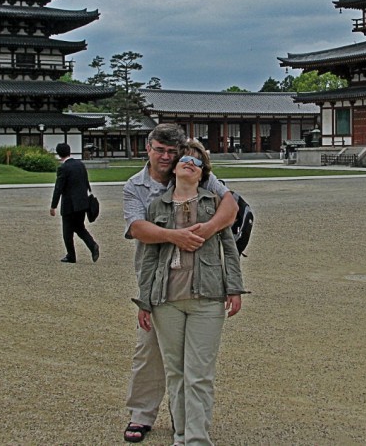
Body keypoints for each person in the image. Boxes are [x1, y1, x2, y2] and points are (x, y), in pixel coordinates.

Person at [122, 124, 238, 443]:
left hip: (200, 281)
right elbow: (137, 229)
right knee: (149, 350)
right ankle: (142, 414)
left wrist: (207, 229)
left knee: (194, 367)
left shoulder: (193, 169)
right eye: (160, 149)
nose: (166, 156)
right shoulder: (136, 186)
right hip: (159, 279)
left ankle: (187, 429)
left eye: (171, 152)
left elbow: (230, 206)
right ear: (148, 148)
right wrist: (175, 236)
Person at [50, 142, 99, 263]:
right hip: (82, 202)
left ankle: (71, 255)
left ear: (59, 154)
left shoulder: (63, 168)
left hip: (69, 204)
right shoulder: (80, 164)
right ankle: (92, 245)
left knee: (67, 230)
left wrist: (53, 206)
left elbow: (58, 188)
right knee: (79, 227)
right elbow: (86, 182)